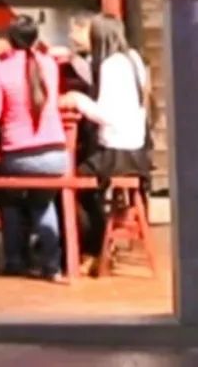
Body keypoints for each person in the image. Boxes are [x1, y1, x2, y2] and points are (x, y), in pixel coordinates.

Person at [0, 15, 68, 280]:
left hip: (18, 154)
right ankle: (52, 265)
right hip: (56, 154)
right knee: (43, 203)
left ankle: (15, 260)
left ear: (10, 39)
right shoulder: (50, 65)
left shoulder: (1, 69)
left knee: (9, 200)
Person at [59, 13, 150, 259]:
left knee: (69, 182)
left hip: (115, 153)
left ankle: (90, 246)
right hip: (136, 151)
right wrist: (74, 59)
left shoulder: (111, 65)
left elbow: (106, 114)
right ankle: (96, 244)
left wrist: (78, 99)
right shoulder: (132, 58)